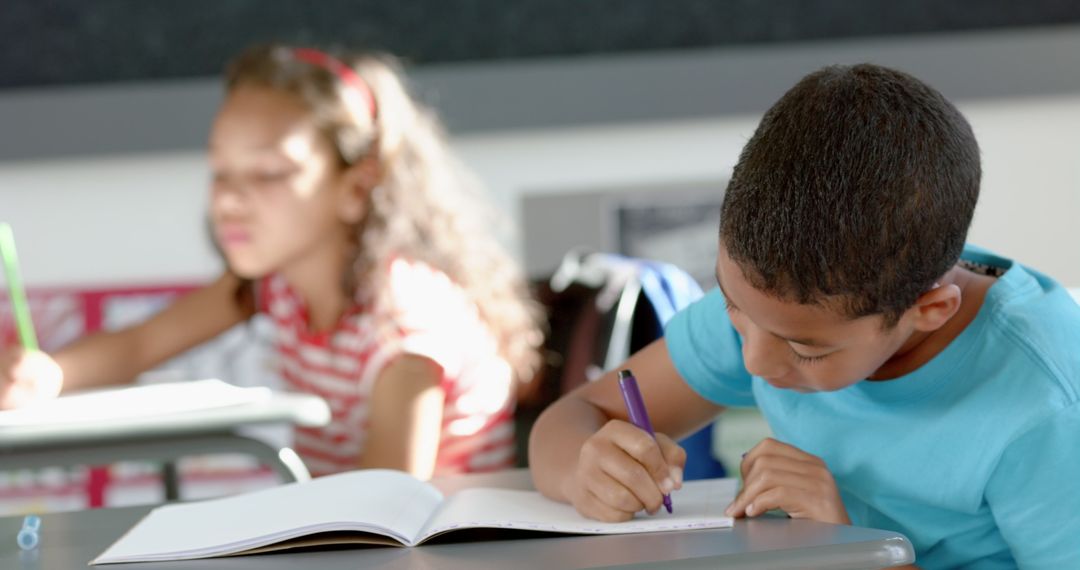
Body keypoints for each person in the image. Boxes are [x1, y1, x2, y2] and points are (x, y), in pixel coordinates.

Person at [528, 63, 1080, 569]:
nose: (754, 361)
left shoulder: (1046, 407)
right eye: (731, 308)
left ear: (929, 311)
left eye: (807, 351)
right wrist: (585, 467)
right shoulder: (781, 302)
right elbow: (574, 416)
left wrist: (855, 551)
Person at [0, 44, 542, 480]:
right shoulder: (272, 284)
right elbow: (141, 344)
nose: (230, 200)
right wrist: (48, 374)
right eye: (220, 172)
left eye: (267, 174)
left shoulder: (404, 322)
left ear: (356, 186)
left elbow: (388, 501)